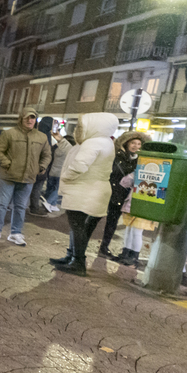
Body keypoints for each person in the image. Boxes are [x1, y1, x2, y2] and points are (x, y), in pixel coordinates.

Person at [51, 112, 118, 276]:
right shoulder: (104, 142)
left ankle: (78, 261)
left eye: (82, 126)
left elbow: (79, 165)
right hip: (93, 190)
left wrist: (66, 177)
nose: (79, 129)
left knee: (77, 226)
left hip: (84, 189)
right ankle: (72, 257)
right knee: (81, 227)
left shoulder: (94, 143)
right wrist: (61, 141)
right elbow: (75, 152)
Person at [0, 108, 52, 246]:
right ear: (21, 118)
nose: (29, 120)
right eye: (27, 117)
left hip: (28, 178)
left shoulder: (41, 137)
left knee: (20, 207)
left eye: (32, 118)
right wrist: (8, 163)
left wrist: (41, 167)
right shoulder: (9, 134)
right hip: (8, 176)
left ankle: (16, 233)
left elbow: (47, 155)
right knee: (2, 204)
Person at [98, 130, 148, 258]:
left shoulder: (143, 159)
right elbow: (117, 171)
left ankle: (105, 247)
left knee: (114, 222)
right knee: (98, 218)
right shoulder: (118, 156)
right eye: (133, 143)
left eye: (139, 144)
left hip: (128, 196)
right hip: (112, 192)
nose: (136, 146)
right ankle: (87, 245)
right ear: (126, 144)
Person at [28, 115, 56, 216]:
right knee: (37, 187)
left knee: (29, 186)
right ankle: (34, 208)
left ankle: (19, 205)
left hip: (33, 165)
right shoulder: (46, 135)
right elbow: (45, 152)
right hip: (40, 166)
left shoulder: (36, 133)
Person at [45, 128, 73, 210]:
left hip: (52, 172)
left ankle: (52, 205)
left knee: (50, 189)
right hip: (60, 173)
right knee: (58, 189)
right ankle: (49, 202)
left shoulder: (56, 148)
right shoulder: (68, 150)